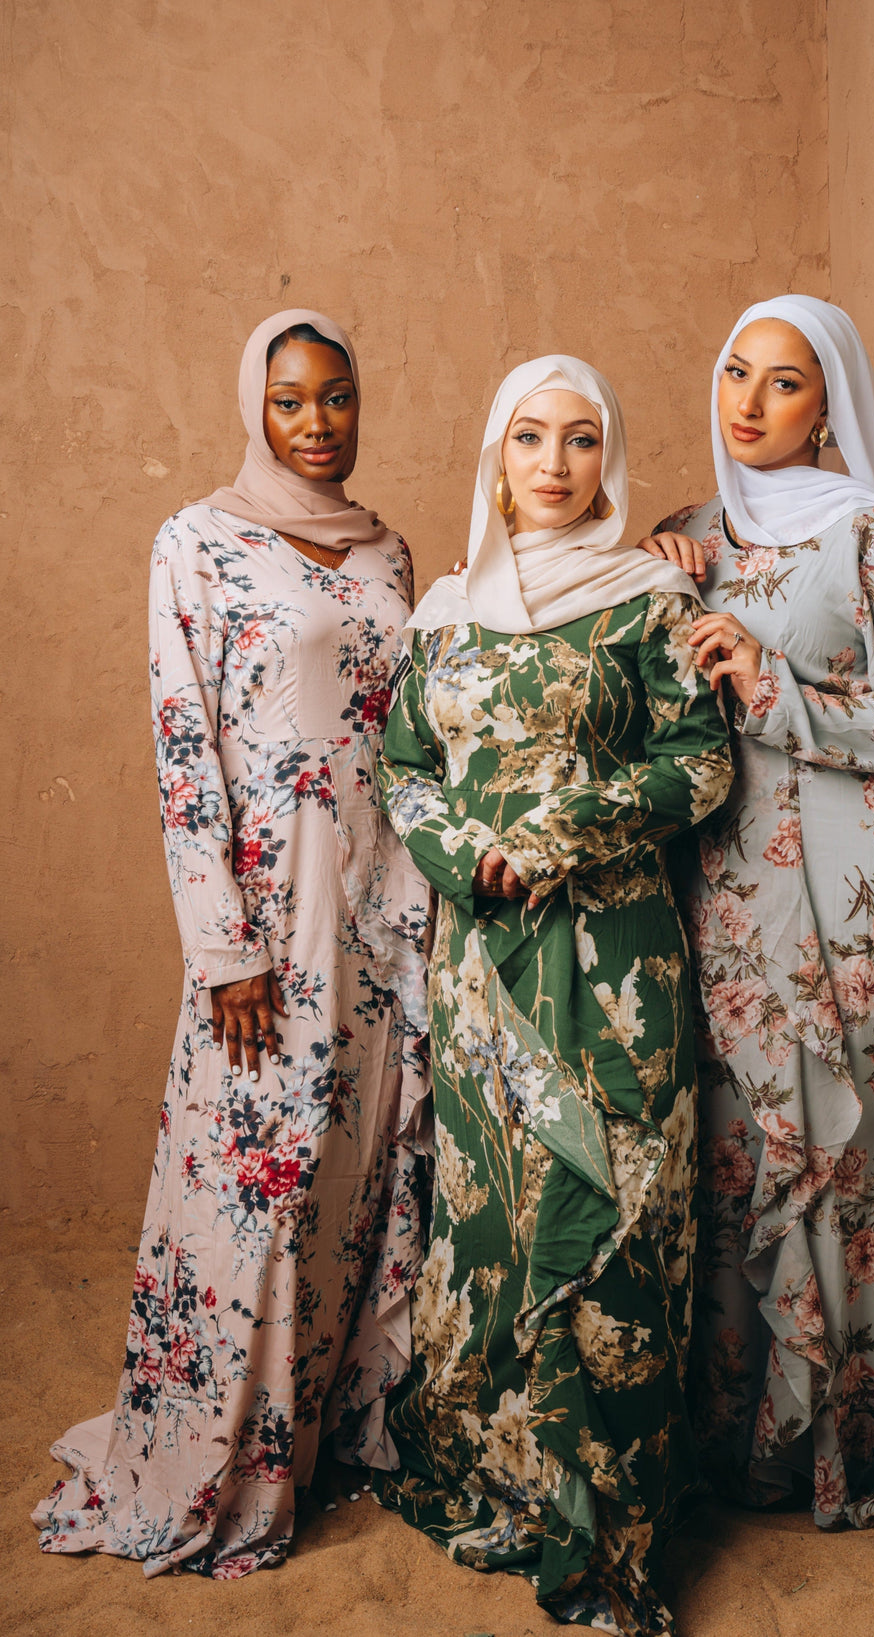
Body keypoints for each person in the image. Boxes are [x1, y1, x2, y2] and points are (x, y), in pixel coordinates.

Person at [33, 309, 431, 1577]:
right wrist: (226, 946)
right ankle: (222, 1459)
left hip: (391, 900)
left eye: (339, 398)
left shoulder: (392, 552)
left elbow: (413, 731)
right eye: (291, 401)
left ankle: (328, 1437)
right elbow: (184, 747)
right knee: (256, 1179)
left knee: (366, 1171)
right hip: (272, 907)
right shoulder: (196, 542)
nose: (318, 425)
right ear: (254, 409)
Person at [643, 295, 874, 1529]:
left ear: (831, 406)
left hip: (863, 898)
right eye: (734, 372)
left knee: (862, 1156)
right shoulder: (691, 531)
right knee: (755, 1145)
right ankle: (752, 1430)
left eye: (785, 383)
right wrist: (654, 571)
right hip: (738, 891)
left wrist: (774, 678)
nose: (747, 402)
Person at [375, 356, 734, 1635]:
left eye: (582, 440)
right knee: (492, 1217)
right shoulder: (447, 609)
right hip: (482, 959)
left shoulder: (644, 600)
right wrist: (459, 846)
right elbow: (402, 764)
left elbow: (700, 766)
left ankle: (612, 1520)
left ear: (607, 456)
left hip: (613, 960)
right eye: (530, 436)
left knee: (615, 1210)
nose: (554, 463)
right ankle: (514, 1483)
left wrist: (560, 829)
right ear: (496, 452)